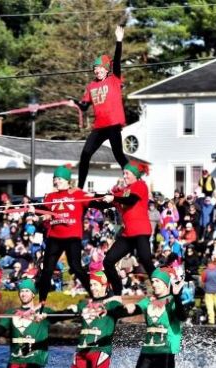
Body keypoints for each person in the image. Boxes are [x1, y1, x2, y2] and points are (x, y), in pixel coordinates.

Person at [53, 271, 130, 368]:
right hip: (81, 352)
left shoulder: (112, 303)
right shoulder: (84, 304)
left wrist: (107, 310)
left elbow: (122, 312)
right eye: (91, 285)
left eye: (95, 284)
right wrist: (43, 315)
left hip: (100, 352)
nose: (92, 287)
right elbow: (65, 314)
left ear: (104, 285)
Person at [123, 268, 186, 368]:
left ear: (165, 284)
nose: (154, 284)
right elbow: (133, 309)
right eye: (153, 281)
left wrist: (177, 297)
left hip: (165, 352)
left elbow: (182, 316)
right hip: (147, 352)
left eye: (157, 281)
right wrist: (119, 308)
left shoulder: (171, 299)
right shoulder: (147, 301)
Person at [71, 25, 128, 189]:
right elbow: (83, 107)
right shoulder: (91, 86)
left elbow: (117, 61)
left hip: (113, 124)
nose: (98, 71)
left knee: (118, 155)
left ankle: (133, 179)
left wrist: (119, 41)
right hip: (100, 126)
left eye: (101, 68)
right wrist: (74, 102)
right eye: (96, 69)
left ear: (106, 70)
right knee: (86, 154)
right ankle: (80, 188)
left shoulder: (114, 79)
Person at [38, 165, 93, 305]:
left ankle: (93, 295)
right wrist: (35, 210)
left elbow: (93, 203)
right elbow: (42, 210)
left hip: (72, 236)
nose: (57, 181)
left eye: (60, 178)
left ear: (68, 180)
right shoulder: (50, 196)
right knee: (47, 270)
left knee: (75, 267)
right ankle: (41, 302)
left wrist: (105, 200)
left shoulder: (78, 194)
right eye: (55, 179)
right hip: (54, 237)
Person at [101, 162, 155, 295]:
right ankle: (118, 292)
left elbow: (131, 200)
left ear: (135, 175)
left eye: (127, 173)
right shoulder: (123, 191)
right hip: (128, 233)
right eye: (123, 173)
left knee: (145, 259)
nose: (124, 176)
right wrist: (94, 197)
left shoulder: (140, 185)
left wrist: (114, 197)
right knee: (108, 261)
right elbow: (110, 199)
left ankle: (162, 287)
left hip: (140, 230)